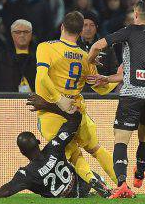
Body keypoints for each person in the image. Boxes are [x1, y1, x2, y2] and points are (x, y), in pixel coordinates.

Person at [0, 94, 111, 198]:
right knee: (82, 161)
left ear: (21, 152)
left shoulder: (26, 175)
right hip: (85, 188)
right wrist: (48, 106)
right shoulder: (55, 147)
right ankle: (103, 185)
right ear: (38, 142)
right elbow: (75, 118)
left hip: (69, 199)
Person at [87, 0, 145, 198]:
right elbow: (133, 71)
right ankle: (139, 174)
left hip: (133, 94)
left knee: (121, 139)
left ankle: (122, 184)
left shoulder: (131, 31)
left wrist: (90, 61)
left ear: (136, 14)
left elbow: (97, 45)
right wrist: (107, 78)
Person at [35, 11, 119, 191]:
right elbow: (102, 88)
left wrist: (59, 99)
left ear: (62, 27)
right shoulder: (86, 56)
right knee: (96, 149)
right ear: (81, 32)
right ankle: (122, 184)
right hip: (77, 109)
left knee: (73, 154)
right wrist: (119, 77)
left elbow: (42, 77)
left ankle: (93, 181)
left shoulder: (45, 47)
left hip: (52, 112)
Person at [0, 19, 36, 92]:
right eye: (18, 32)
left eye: (26, 32)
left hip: (35, 100)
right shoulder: (0, 55)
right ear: (12, 35)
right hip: (7, 100)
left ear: (31, 35)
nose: (22, 35)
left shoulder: (40, 54)